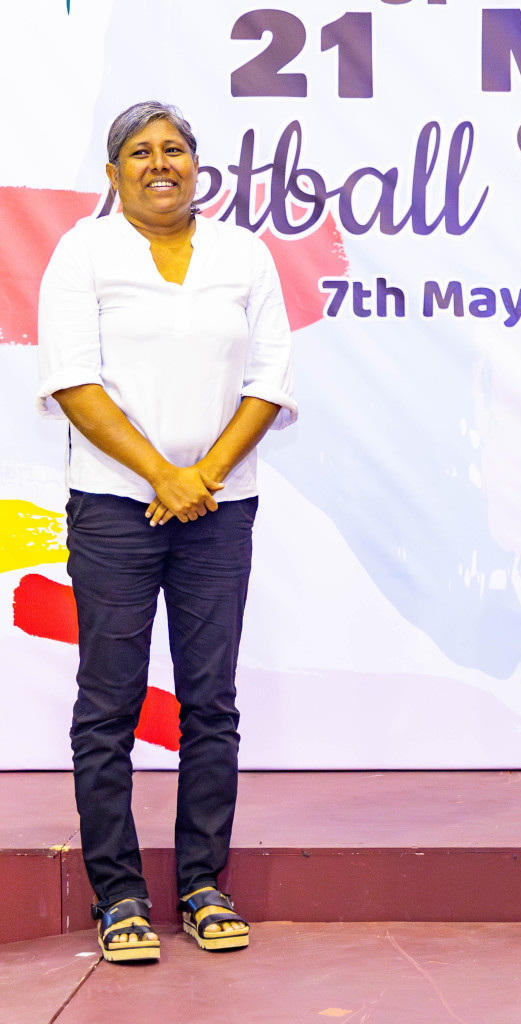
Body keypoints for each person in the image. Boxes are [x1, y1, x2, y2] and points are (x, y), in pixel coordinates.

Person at [35, 101, 297, 963]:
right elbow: (73, 382)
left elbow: (268, 377)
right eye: (140, 152)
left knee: (209, 703)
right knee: (108, 703)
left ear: (197, 165)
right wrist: (163, 476)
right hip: (114, 508)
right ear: (114, 174)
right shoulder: (84, 252)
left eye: (175, 149)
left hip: (220, 509)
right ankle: (119, 894)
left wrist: (201, 479)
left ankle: (201, 883)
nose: (160, 164)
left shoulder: (243, 254)